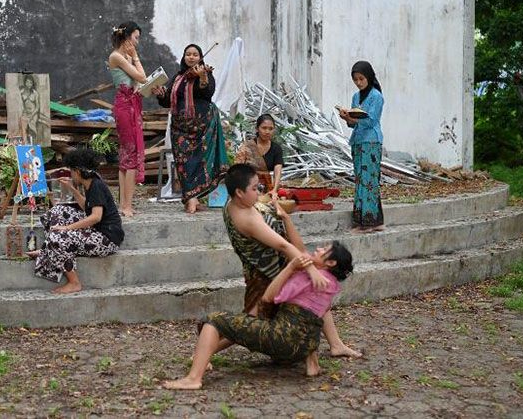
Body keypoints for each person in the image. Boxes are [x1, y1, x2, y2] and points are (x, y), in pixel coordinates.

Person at [163, 242, 354, 390]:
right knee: (277, 317)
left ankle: (193, 379)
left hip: (284, 340)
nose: (318, 248)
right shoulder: (331, 283)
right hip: (304, 348)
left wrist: (290, 269)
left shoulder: (308, 278)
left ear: (330, 263)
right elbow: (299, 248)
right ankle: (312, 363)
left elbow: (269, 297)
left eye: (324, 250)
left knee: (215, 320)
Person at [220, 164, 360, 358]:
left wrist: (277, 208)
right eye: (254, 188)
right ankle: (208, 347)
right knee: (251, 319)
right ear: (239, 192)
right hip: (265, 273)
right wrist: (310, 268)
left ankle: (335, 344)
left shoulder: (235, 203)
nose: (258, 191)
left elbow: (290, 243)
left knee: (317, 296)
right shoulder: (247, 219)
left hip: (280, 265)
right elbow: (284, 246)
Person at [30, 148, 124, 293]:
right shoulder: (90, 184)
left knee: (58, 238)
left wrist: (67, 228)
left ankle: (74, 283)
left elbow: (95, 217)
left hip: (107, 239)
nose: (71, 174)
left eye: (72, 171)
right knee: (56, 211)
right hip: (97, 230)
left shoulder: (96, 186)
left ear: (78, 172)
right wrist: (72, 189)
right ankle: (48, 248)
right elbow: (87, 207)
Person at [153, 44, 229, 214]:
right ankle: (191, 197)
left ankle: (193, 199)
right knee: (182, 162)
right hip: (180, 127)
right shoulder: (178, 77)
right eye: (188, 54)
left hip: (202, 126)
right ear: (184, 57)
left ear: (200, 57)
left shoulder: (206, 73)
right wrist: (160, 94)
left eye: (195, 54)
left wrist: (202, 76)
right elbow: (168, 100)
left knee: (200, 161)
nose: (192, 57)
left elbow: (207, 93)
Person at [339, 61, 385, 233]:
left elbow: (371, 120)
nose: (358, 82)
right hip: (358, 141)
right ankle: (374, 221)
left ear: (369, 77)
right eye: (355, 79)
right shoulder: (355, 97)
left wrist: (355, 119)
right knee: (361, 180)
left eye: (361, 78)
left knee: (369, 181)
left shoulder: (377, 96)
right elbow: (354, 124)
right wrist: (347, 118)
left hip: (371, 142)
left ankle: (367, 224)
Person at [108, 21, 147, 217]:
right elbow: (142, 77)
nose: (137, 43)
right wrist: (136, 58)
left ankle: (124, 204)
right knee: (129, 156)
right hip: (124, 108)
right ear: (127, 37)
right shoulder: (117, 56)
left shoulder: (124, 57)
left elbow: (139, 82)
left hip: (131, 106)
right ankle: (126, 205)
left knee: (127, 157)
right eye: (136, 38)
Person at [234, 113, 284, 196]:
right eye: (264, 128)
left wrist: (274, 190)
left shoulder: (276, 149)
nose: (267, 131)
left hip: (267, 189)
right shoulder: (247, 147)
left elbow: (277, 171)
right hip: (247, 189)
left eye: (270, 129)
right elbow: (237, 170)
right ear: (257, 129)